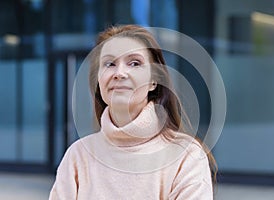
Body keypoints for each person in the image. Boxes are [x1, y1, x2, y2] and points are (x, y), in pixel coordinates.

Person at [49, 24, 217, 200]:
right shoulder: (78, 155)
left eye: (134, 63)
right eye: (110, 64)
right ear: (99, 80)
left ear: (154, 80)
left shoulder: (186, 155)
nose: (120, 73)